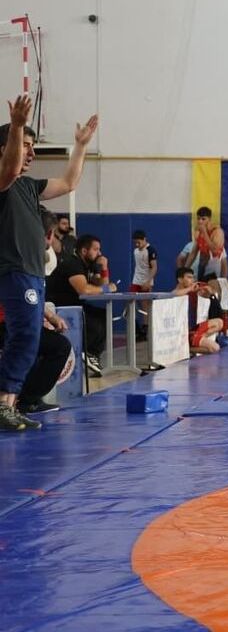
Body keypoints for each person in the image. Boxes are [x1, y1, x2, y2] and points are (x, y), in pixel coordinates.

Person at [0, 95, 96, 430]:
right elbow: (9, 169)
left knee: (32, 341)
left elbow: (69, 183)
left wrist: (80, 146)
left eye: (32, 146)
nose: (31, 153)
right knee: (25, 338)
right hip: (14, 271)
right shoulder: (4, 180)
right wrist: (17, 125)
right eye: (25, 145)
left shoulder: (28, 186)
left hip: (31, 274)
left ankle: (11, 404)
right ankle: (4, 404)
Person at [0, 210, 74, 415]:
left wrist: (49, 316)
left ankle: (17, 402)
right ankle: (20, 402)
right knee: (50, 346)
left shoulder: (29, 255)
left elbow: (31, 295)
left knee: (42, 343)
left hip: (15, 321)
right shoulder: (21, 258)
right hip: (9, 324)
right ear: (48, 234)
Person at [46, 234, 115, 378]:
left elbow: (102, 284)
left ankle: (92, 354)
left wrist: (104, 268)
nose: (99, 253)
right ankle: (84, 352)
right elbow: (84, 290)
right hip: (60, 308)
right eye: (96, 249)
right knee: (95, 325)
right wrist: (106, 289)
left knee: (104, 316)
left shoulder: (87, 265)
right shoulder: (73, 264)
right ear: (84, 251)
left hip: (75, 305)